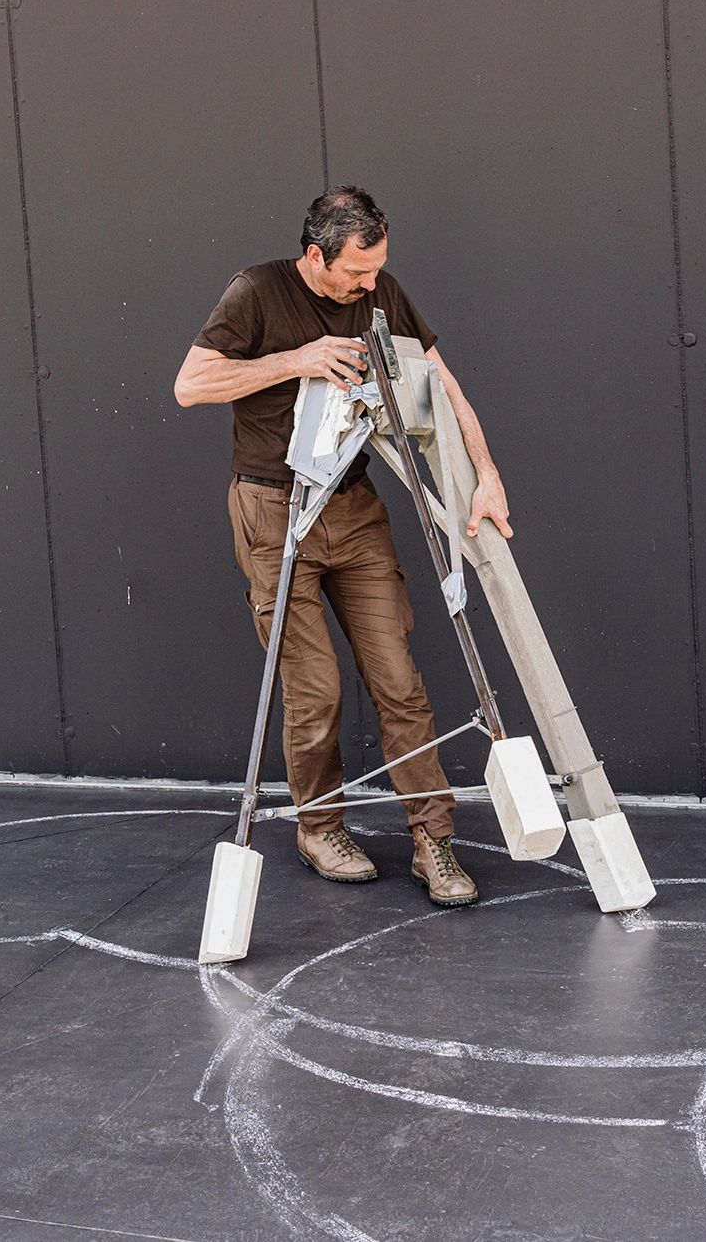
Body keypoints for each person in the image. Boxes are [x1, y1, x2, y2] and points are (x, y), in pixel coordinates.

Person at [174, 186, 514, 906]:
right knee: (315, 688)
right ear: (315, 256)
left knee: (399, 680)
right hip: (272, 508)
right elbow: (192, 384)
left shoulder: (380, 289)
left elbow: (442, 383)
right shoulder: (257, 291)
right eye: (357, 272)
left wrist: (485, 476)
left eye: (377, 269)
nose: (369, 285)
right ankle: (319, 828)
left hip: (353, 506)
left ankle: (433, 839)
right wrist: (296, 359)